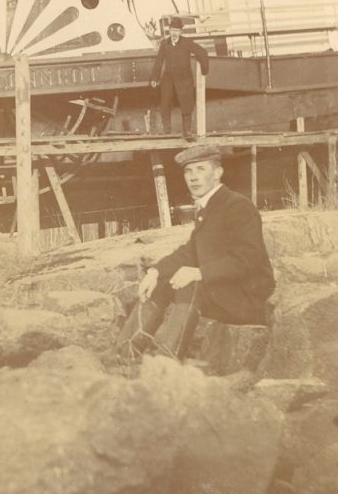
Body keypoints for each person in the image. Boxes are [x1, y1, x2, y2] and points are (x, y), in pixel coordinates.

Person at [114, 142, 275, 360]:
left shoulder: (237, 206)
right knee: (160, 283)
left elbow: (250, 260)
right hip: (220, 291)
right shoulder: (208, 206)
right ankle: (124, 353)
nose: (193, 177)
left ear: (218, 173)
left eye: (201, 169)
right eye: (188, 171)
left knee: (191, 285)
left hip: (245, 297)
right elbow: (189, 252)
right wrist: (155, 272)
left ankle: (166, 361)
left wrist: (199, 273)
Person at [150, 16, 209, 140]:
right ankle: (167, 132)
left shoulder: (187, 43)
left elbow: (202, 52)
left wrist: (204, 68)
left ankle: (187, 132)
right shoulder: (164, 44)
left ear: (181, 32)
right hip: (169, 77)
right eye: (172, 30)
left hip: (184, 77)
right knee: (165, 103)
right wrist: (154, 78)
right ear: (169, 31)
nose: (174, 33)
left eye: (177, 31)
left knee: (186, 104)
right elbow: (159, 61)